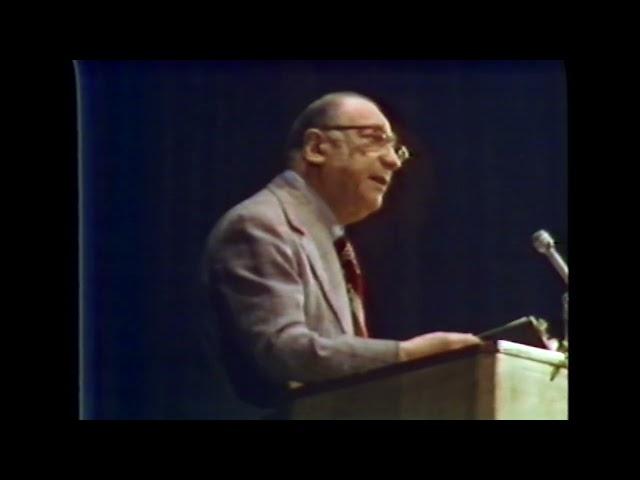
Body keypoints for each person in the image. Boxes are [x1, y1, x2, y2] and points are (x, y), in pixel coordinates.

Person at [203, 92, 481, 408]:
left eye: (395, 149)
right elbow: (281, 351)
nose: (392, 161)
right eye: (374, 139)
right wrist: (404, 357)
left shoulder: (331, 238)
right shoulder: (258, 225)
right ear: (316, 148)